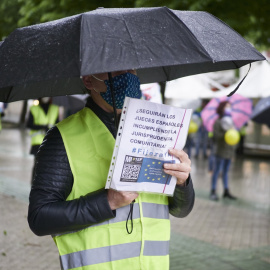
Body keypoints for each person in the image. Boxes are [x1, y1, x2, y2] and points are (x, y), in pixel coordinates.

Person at [28, 70, 195, 270]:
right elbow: (39, 218)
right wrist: (107, 201)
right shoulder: (62, 138)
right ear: (89, 80)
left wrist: (183, 182)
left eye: (131, 67)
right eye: (115, 69)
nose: (127, 75)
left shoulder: (157, 131)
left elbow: (180, 210)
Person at [26, 97, 59, 184]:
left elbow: (58, 125)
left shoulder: (55, 109)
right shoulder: (34, 108)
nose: (45, 97)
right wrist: (42, 127)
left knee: (48, 165)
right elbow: (29, 124)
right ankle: (34, 184)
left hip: (50, 142)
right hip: (37, 142)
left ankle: (44, 184)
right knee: (37, 165)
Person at [209, 101, 237, 201]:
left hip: (229, 152)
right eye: (227, 107)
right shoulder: (218, 121)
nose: (229, 108)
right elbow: (216, 136)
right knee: (216, 171)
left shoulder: (230, 121)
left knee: (225, 172)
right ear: (222, 108)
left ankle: (226, 191)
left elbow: (234, 137)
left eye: (230, 107)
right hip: (220, 151)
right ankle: (213, 191)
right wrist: (226, 132)